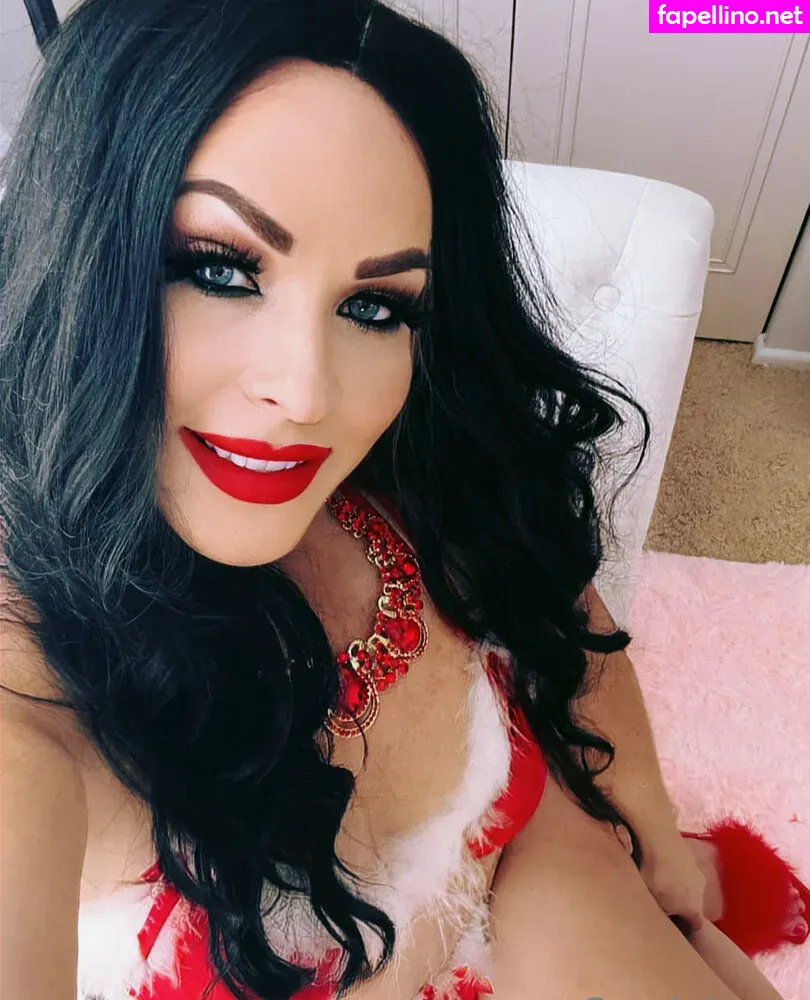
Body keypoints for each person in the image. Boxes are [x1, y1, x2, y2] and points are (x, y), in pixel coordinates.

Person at [0, 1, 805, 998]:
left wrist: (656, 844)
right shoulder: (28, 698)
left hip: (529, 837)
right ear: (79, 250)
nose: (307, 393)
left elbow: (556, 605)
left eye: (375, 305)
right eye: (218, 268)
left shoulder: (412, 465)